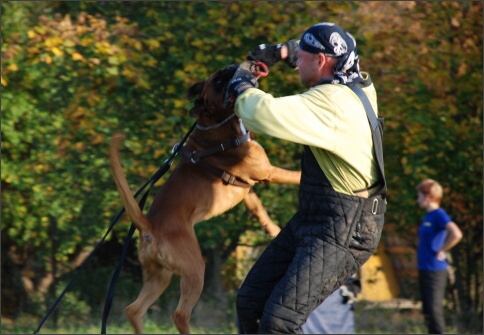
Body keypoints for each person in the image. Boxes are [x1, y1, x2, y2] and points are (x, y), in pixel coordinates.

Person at [224, 22, 387, 333]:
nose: (297, 62)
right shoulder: (358, 84)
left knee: (279, 323)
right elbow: (338, 46)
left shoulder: (332, 103)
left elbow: (261, 113)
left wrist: (242, 84)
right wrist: (281, 51)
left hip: (345, 230)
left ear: (322, 61)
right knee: (250, 302)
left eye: (302, 56)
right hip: (317, 219)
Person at [416, 179, 463, 334]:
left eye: (420, 195)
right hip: (424, 267)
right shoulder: (428, 216)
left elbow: (456, 233)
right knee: (428, 309)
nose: (418, 199)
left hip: (435, 270)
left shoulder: (439, 214)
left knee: (434, 309)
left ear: (428, 196)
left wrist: (442, 250)